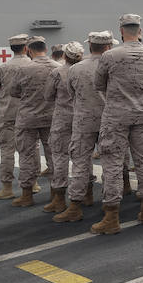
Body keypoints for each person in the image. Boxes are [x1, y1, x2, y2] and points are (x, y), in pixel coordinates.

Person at [91, 14, 143, 234]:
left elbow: (98, 84)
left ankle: (111, 217)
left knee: (112, 163)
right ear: (140, 30)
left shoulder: (110, 56)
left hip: (116, 116)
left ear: (121, 31)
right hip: (142, 114)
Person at [53, 31, 111, 224]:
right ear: (108, 46)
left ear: (90, 46)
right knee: (111, 162)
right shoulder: (112, 65)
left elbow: (71, 93)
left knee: (80, 162)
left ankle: (77, 205)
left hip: (83, 120)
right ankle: (110, 205)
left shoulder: (75, 69)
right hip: (108, 119)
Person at [7, 37, 58, 207]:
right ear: (46, 48)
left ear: (29, 50)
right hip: (53, 117)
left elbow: (14, 91)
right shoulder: (57, 67)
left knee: (26, 156)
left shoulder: (24, 69)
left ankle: (27, 196)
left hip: (28, 118)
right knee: (54, 156)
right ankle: (56, 196)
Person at [40, 41, 84, 213]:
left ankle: (59, 199)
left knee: (59, 157)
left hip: (62, 119)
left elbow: (48, 96)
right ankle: (86, 195)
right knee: (82, 157)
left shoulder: (57, 72)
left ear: (65, 56)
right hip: (82, 117)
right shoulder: (86, 69)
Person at [0, 33, 30, 200]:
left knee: (7, 151)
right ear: (26, 48)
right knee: (29, 150)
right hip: (28, 113)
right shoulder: (33, 65)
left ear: (11, 49)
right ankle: (31, 184)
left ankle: (7, 188)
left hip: (7, 114)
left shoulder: (2, 68)